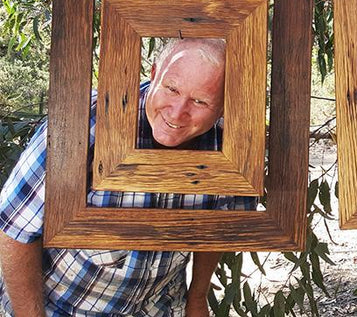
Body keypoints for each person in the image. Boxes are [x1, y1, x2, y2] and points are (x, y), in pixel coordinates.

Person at [0, 38, 255, 316]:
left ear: (223, 106)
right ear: (155, 73)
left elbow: (218, 228)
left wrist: (197, 296)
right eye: (171, 89)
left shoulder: (233, 146)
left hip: (160, 308)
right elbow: (14, 231)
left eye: (200, 101)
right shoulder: (84, 124)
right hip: (64, 306)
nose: (178, 112)